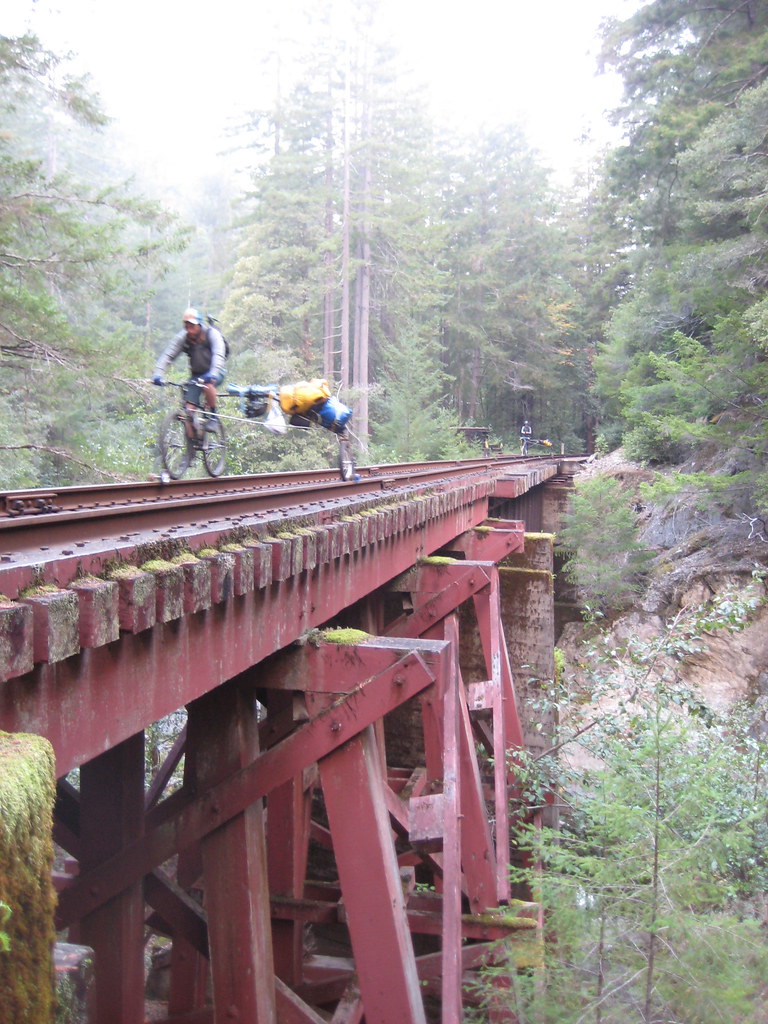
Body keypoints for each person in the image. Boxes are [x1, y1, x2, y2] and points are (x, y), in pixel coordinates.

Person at [152, 308, 226, 430]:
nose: (189, 328)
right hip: (196, 376)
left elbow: (219, 354)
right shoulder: (183, 338)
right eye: (186, 325)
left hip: (216, 371)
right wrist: (158, 375)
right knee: (188, 412)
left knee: (208, 384)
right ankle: (192, 445)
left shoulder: (211, 334)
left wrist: (213, 374)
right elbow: (167, 355)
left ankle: (213, 416)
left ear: (199, 324)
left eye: (192, 325)